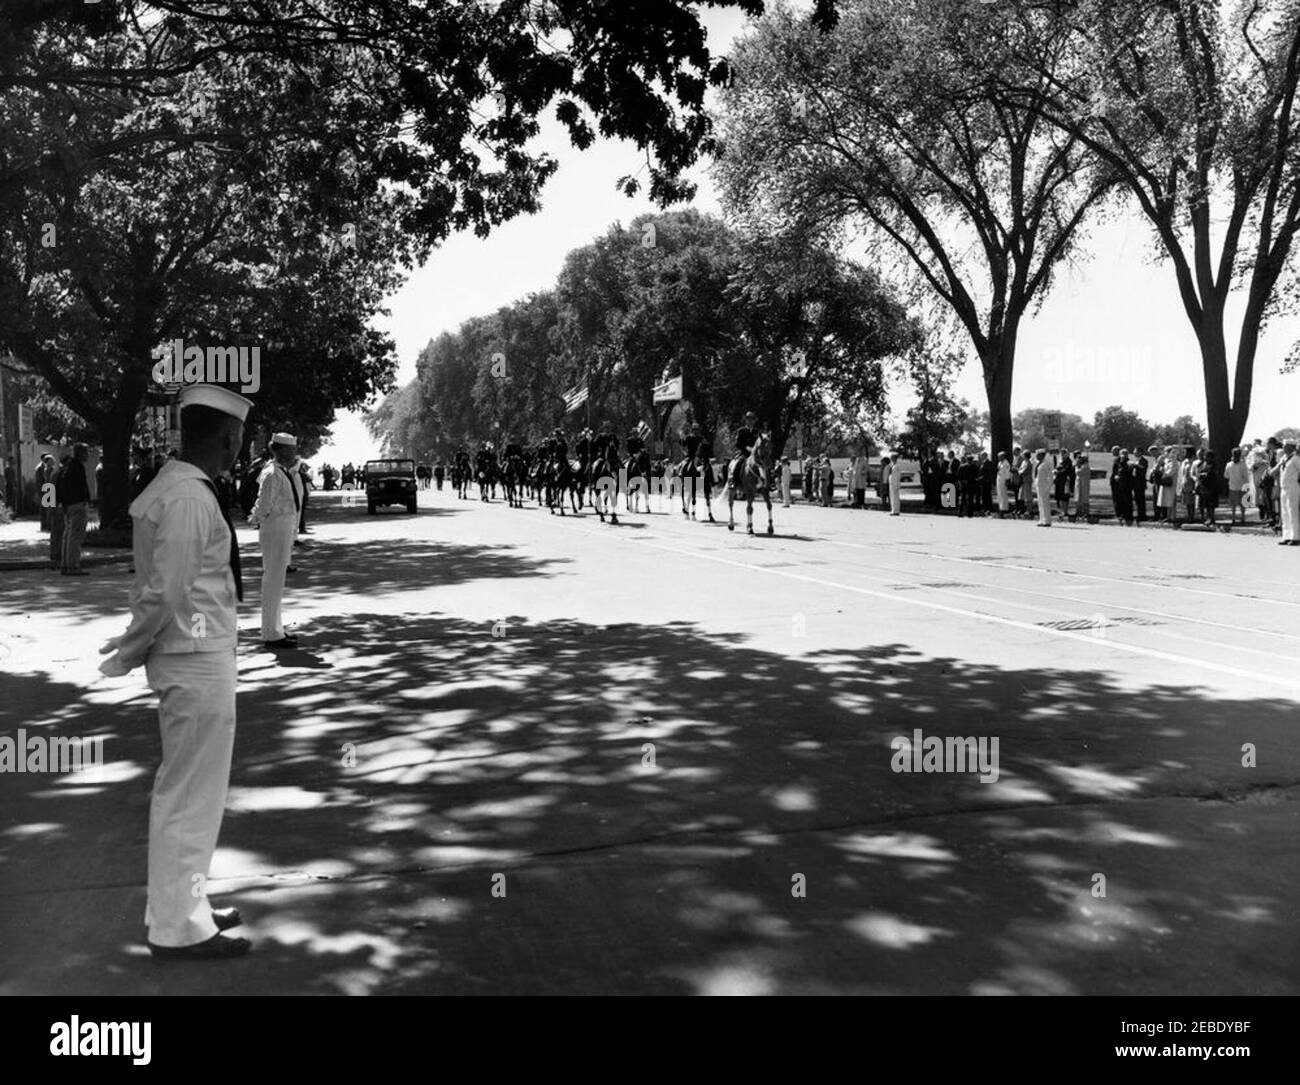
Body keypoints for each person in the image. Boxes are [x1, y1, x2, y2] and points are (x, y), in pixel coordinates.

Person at [98, 384, 253, 960]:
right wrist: (129, 650)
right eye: (240, 436)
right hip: (193, 658)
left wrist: (136, 644)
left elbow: (163, 585)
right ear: (230, 438)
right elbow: (166, 590)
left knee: (196, 791)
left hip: (195, 655)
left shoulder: (180, 486)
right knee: (190, 794)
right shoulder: (191, 497)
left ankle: (185, 902)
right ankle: (177, 928)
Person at [250, 433, 301, 649]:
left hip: (283, 528)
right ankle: (270, 633)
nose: (294, 455)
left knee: (277, 582)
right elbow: (264, 503)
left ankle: (275, 629)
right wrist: (255, 519)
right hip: (275, 529)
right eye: (290, 451)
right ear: (280, 451)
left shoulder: (281, 472)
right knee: (272, 582)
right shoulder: (272, 473)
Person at [59, 443, 92, 575]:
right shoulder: (77, 466)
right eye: (87, 452)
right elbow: (80, 487)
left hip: (69, 505)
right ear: (82, 453)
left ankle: (65, 564)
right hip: (78, 504)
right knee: (75, 536)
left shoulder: (67, 466)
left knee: (68, 535)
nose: (88, 455)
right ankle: (73, 565)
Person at [1273, 440, 1300, 544]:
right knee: (1284, 513)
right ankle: (1287, 536)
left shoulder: (1296, 459)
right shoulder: (1284, 458)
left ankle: (1296, 537)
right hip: (1283, 487)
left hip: (1293, 487)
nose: (1283, 448)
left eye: (1285, 446)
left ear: (1290, 447)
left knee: (1292, 512)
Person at [1224, 448, 1249, 526]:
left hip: (1241, 487)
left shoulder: (1243, 464)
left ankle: (1242, 518)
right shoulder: (1229, 464)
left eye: (1237, 454)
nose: (1236, 455)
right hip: (1233, 487)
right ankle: (1233, 518)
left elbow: (1246, 476)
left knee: (1242, 504)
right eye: (1235, 454)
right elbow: (1226, 475)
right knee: (1233, 504)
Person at [1054, 450, 1075, 521]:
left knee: (1065, 497)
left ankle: (1065, 511)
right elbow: (1057, 468)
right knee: (1060, 497)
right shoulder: (1060, 461)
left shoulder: (1068, 462)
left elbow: (1066, 470)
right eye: (1061, 453)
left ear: (1067, 454)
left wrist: (1058, 472)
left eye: (1063, 453)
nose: (1062, 455)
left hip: (1065, 482)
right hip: (1059, 482)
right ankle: (1062, 511)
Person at [36, 453, 55, 531]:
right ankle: (47, 525)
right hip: (47, 490)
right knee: (47, 509)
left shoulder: (46, 468)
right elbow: (41, 481)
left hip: (47, 490)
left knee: (47, 509)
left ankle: (47, 525)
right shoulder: (43, 469)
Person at [1035, 449, 1054, 526]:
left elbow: (1050, 476)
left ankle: (1047, 520)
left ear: (1042, 455)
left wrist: (1048, 487)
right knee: (1040, 503)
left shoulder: (1046, 464)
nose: (1036, 456)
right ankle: (1042, 519)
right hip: (1039, 485)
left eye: (1038, 455)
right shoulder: (1039, 464)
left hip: (1044, 486)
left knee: (1045, 503)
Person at [1073, 450, 1091, 520]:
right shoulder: (1082, 466)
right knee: (1078, 499)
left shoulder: (1085, 466)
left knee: (1084, 499)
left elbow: (1078, 472)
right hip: (1079, 485)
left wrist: (1076, 466)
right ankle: (1079, 513)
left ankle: (1085, 513)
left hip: (1084, 486)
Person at [995, 451, 1012, 517]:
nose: (998, 458)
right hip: (999, 479)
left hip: (1003, 480)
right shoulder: (999, 463)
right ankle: (1000, 507)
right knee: (999, 494)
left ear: (1003, 456)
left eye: (999, 456)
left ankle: (1004, 509)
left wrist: (1007, 480)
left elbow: (1007, 472)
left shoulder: (1006, 463)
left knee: (1003, 494)